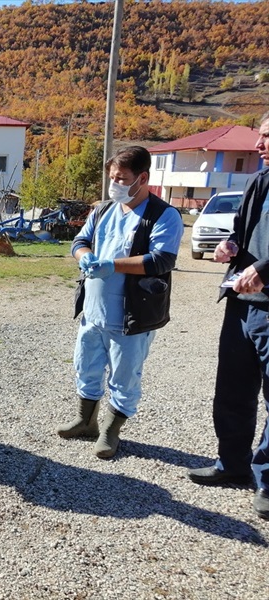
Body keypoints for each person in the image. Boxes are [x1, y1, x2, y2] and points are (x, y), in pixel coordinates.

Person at [57, 146, 183, 458]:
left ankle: (111, 431)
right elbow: (80, 241)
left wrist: (113, 264)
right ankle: (86, 421)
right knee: (86, 366)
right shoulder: (103, 210)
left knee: (125, 376)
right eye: (112, 177)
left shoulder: (163, 215)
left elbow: (161, 259)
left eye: (122, 178)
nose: (115, 184)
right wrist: (85, 257)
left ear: (142, 178)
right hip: (93, 311)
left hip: (132, 316)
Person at [188, 112, 269, 519]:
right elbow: (241, 230)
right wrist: (230, 247)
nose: (258, 145)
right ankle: (232, 465)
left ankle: (267, 482)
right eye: (260, 136)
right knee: (233, 392)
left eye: (267, 137)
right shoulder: (259, 179)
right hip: (241, 304)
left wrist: (263, 270)